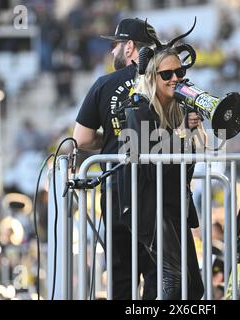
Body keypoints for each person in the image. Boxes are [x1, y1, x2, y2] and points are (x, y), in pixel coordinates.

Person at [72, 18, 159, 300]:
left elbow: (81, 139)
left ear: (130, 47)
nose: (112, 52)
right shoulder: (168, 81)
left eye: (116, 45)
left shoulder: (104, 83)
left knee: (121, 280)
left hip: (117, 191)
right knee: (159, 275)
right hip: (158, 190)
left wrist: (110, 139)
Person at [119, 30, 204, 299]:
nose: (175, 79)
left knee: (194, 289)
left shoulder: (178, 107)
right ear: (152, 77)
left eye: (178, 72)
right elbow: (153, 165)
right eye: (166, 74)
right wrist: (181, 133)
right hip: (150, 207)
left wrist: (191, 133)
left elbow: (184, 166)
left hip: (172, 204)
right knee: (174, 283)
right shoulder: (139, 109)